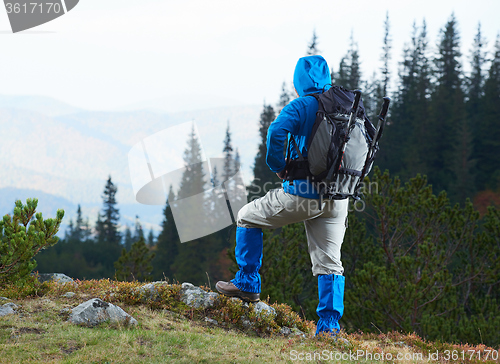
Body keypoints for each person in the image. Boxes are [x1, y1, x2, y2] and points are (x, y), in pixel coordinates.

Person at [216, 55, 349, 337]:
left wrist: (279, 166)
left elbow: (277, 130)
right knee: (330, 262)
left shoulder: (303, 105)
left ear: (299, 80)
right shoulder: (346, 105)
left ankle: (248, 283)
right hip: (339, 197)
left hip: (304, 194)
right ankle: (329, 329)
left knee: (246, 217)